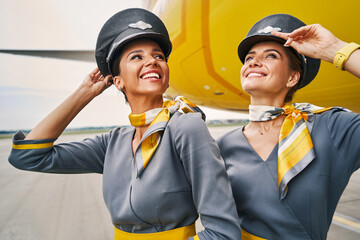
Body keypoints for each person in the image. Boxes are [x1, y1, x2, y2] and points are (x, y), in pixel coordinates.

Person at [8, 8, 242, 240]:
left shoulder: (186, 128)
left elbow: (224, 233)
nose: (152, 61)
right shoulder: (112, 143)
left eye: (158, 56)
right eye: (137, 57)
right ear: (117, 81)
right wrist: (84, 93)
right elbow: (28, 156)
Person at [217, 13, 360, 240]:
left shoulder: (332, 128)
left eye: (270, 56)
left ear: (293, 78)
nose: (253, 62)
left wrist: (335, 50)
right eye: (249, 58)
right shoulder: (225, 144)